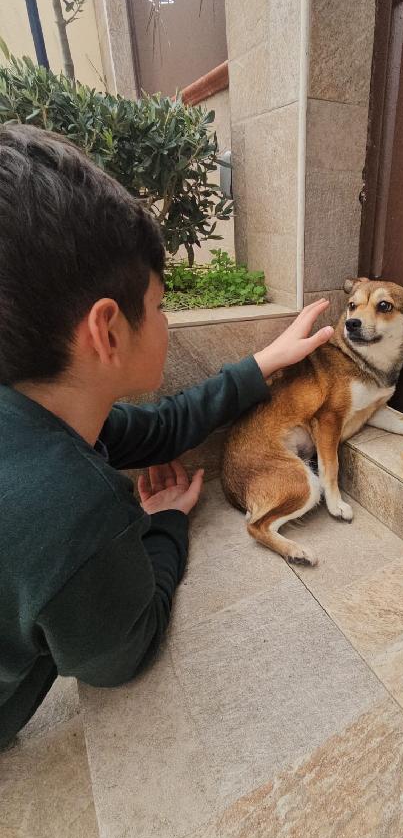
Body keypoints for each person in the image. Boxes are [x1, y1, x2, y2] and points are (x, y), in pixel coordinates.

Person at [0, 124, 333, 746]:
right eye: (158, 305)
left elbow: (158, 428)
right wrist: (164, 524)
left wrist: (265, 362)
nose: (166, 318)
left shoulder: (39, 410)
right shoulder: (70, 508)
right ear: (107, 330)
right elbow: (121, 654)